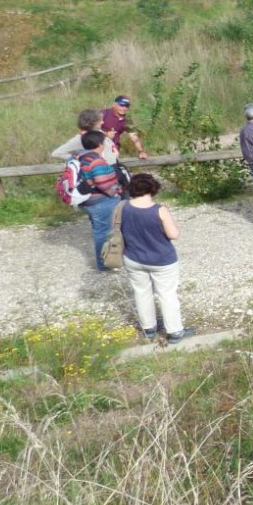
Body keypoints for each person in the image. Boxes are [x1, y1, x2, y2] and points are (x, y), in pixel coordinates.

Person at [119, 173, 194, 344]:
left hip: (133, 258)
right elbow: (173, 234)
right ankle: (175, 331)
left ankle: (149, 328)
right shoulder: (159, 210)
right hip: (161, 260)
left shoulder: (122, 207)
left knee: (141, 292)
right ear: (153, 189)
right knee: (167, 294)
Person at [74, 130, 125, 271]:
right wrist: (116, 191)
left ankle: (107, 261)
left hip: (88, 200)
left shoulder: (80, 158)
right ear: (100, 144)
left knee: (99, 230)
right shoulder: (96, 161)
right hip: (101, 200)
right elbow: (104, 183)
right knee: (103, 232)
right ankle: (105, 263)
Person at [51, 109, 119, 164]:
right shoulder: (79, 139)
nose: (103, 122)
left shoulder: (99, 132)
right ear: (93, 122)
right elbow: (56, 153)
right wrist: (78, 157)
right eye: (100, 120)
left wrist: (108, 137)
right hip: (98, 174)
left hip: (111, 169)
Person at [101, 96, 148, 160]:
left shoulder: (127, 121)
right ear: (114, 104)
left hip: (113, 150)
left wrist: (141, 151)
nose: (124, 108)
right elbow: (89, 129)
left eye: (126, 106)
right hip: (98, 148)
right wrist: (105, 134)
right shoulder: (104, 113)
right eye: (121, 105)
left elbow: (134, 137)